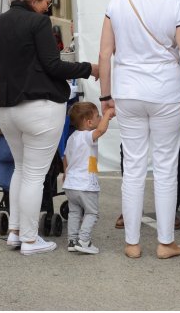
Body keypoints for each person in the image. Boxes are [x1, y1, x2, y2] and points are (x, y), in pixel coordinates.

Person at [0, 0, 98, 256]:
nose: (48, 7)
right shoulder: (38, 22)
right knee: (35, 174)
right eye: (47, 1)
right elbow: (53, 65)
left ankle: (16, 232)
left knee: (21, 169)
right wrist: (89, 68)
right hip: (40, 107)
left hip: (6, 108)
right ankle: (30, 239)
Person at [98, 0, 180, 260]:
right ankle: (166, 243)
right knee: (166, 166)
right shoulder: (178, 7)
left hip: (128, 91)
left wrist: (105, 97)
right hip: (167, 91)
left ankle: (132, 243)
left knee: (133, 166)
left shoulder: (118, 1)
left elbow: (105, 54)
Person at [63, 102, 114, 255]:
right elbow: (101, 130)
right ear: (89, 122)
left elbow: (65, 157)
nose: (100, 118)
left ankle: (72, 240)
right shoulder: (86, 136)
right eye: (98, 116)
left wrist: (66, 173)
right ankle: (84, 240)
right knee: (92, 213)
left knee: (74, 212)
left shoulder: (72, 137)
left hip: (71, 184)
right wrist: (108, 114)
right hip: (85, 184)